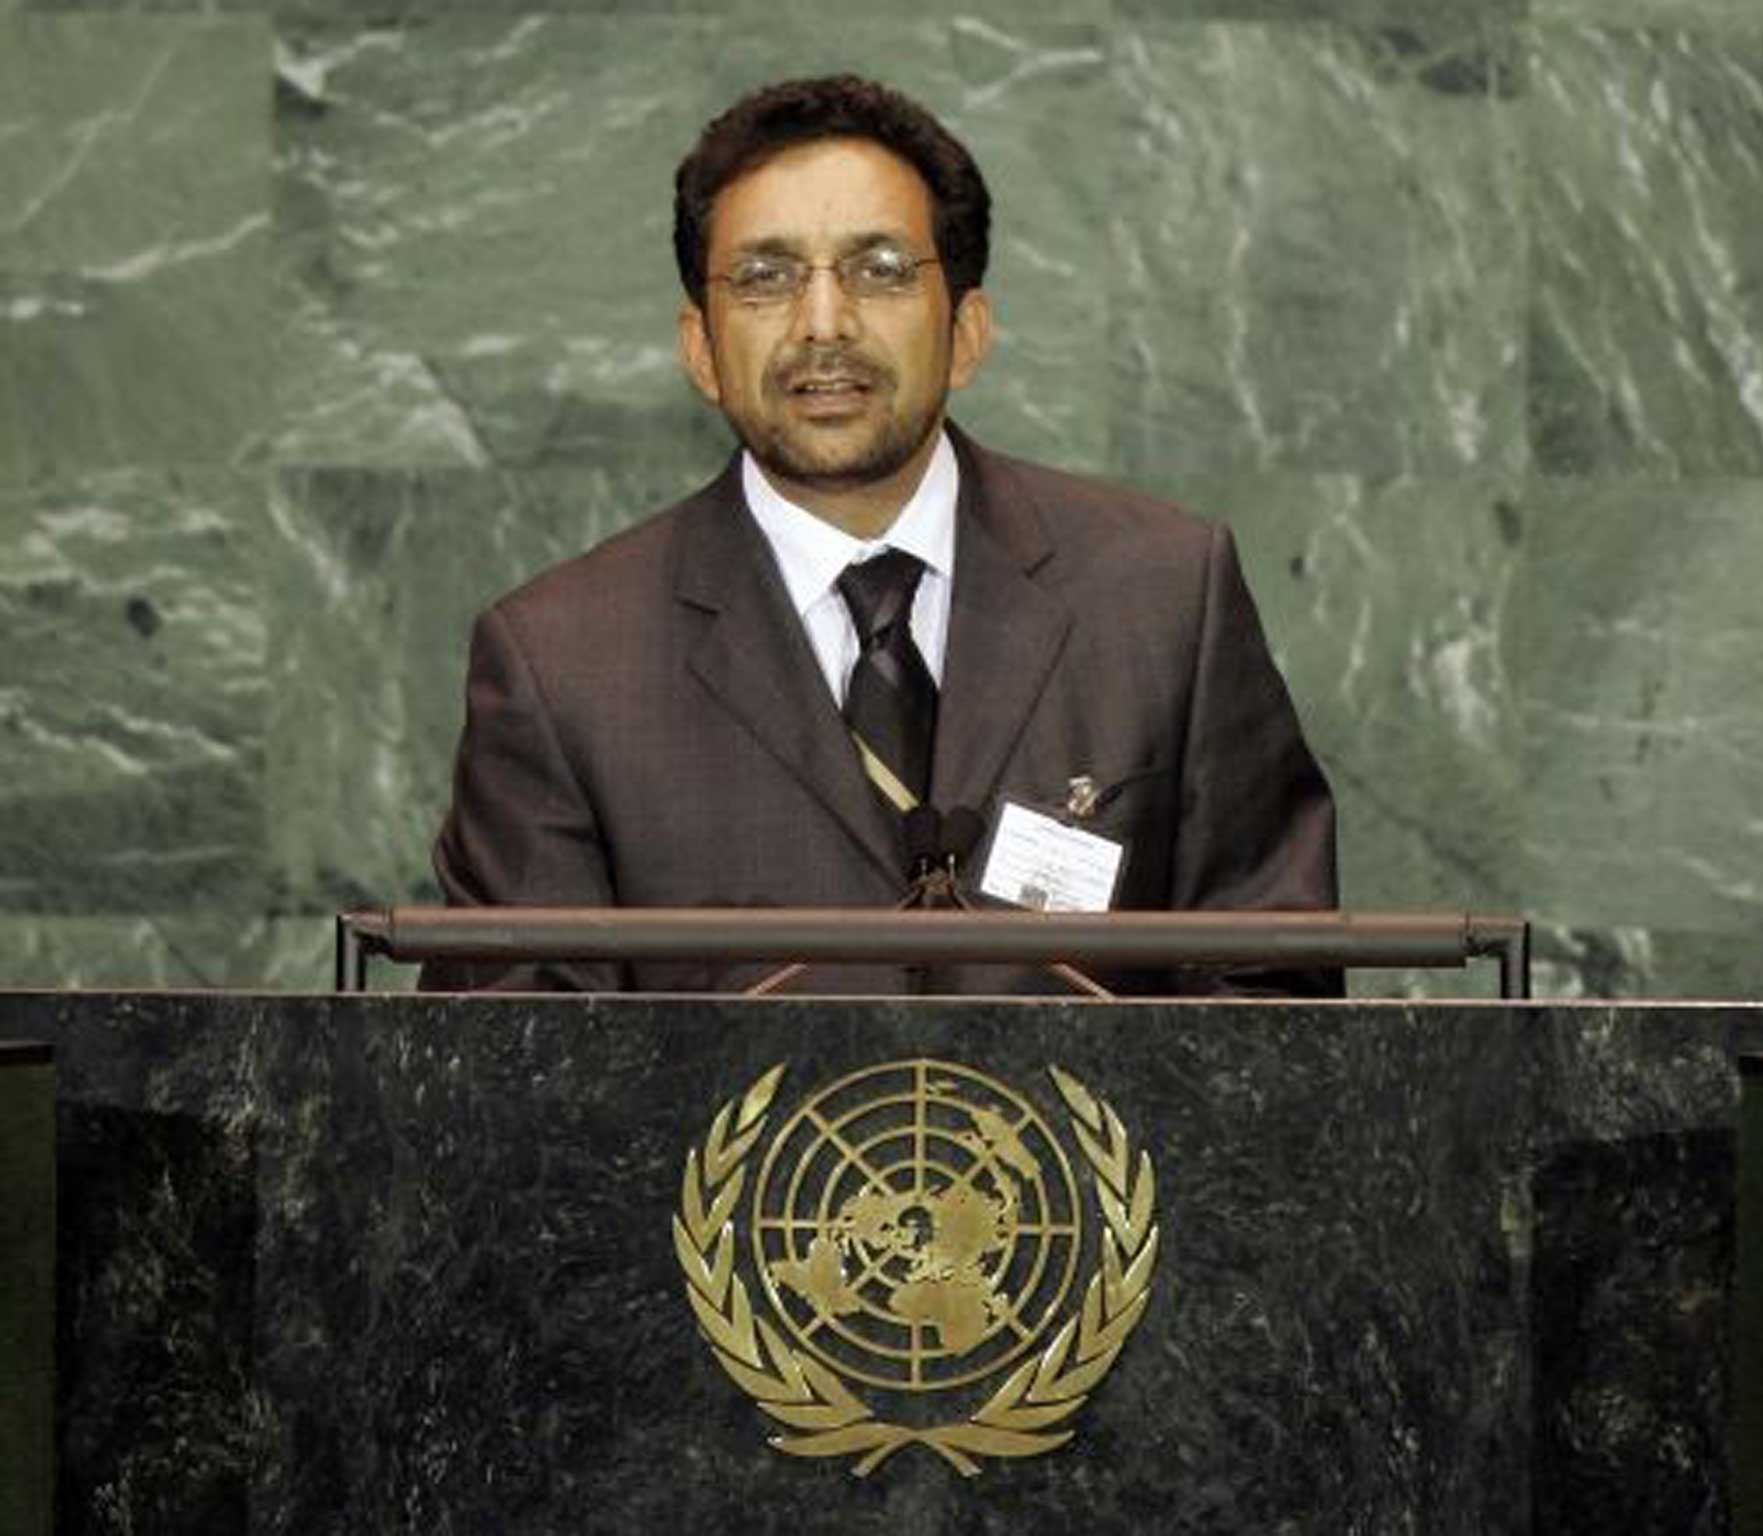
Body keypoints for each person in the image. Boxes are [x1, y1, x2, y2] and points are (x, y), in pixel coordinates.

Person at [422, 74, 1337, 995]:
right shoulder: (562, 662)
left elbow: (1275, 1007)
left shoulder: (1164, 597)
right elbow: (516, 1083)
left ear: (967, 331)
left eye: (882, 270)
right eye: (766, 278)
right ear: (700, 348)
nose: (825, 324)